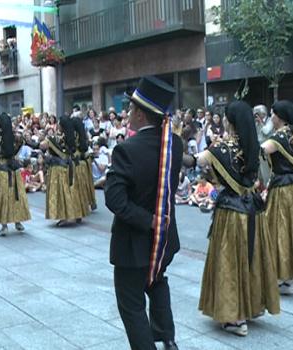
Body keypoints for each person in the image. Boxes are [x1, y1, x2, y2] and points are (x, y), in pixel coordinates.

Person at [104, 76, 182, 350]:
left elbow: (114, 199)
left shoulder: (127, 149)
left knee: (132, 305)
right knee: (157, 282)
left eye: (129, 109)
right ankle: (167, 339)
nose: (127, 114)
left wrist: (148, 221)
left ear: (139, 113)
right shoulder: (175, 145)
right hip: (164, 240)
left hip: (134, 242)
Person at [198, 100, 279, 337]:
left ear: (228, 121)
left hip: (231, 212)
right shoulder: (252, 146)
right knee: (251, 257)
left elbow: (197, 160)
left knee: (230, 261)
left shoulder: (220, 148)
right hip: (253, 209)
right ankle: (252, 306)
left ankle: (234, 317)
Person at [261, 100, 293, 295]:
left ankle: (284, 278)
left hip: (284, 189)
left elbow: (261, 150)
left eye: (272, 114)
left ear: (278, 116)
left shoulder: (280, 136)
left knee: (280, 231)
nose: (271, 117)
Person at [44, 115, 88, 227]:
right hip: (74, 165)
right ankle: (78, 214)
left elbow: (44, 144)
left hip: (61, 168)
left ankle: (64, 216)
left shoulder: (59, 138)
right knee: (74, 190)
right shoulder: (73, 136)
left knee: (63, 193)